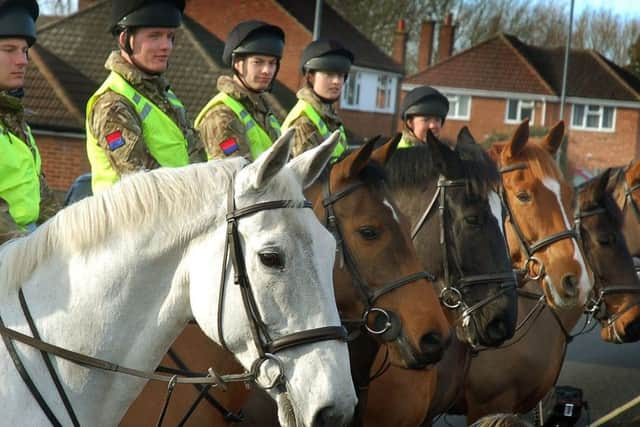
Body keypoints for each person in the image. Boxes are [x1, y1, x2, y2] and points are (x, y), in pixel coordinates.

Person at [86, 0, 202, 194]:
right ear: (125, 39)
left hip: (177, 218)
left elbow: (195, 155)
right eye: (154, 36)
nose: (166, 46)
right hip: (132, 221)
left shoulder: (164, 95)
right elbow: (139, 179)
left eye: (170, 36)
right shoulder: (112, 102)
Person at [0, 0, 59, 243]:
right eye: (9, 49)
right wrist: (29, 250)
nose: (23, 60)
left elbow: (40, 193)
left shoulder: (14, 119)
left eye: (24, 51)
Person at [195, 20, 284, 161]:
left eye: (272, 63)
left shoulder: (264, 113)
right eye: (258, 62)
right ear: (237, 63)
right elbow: (234, 173)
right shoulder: (221, 114)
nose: (267, 70)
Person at [281, 39, 353, 160]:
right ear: (310, 77)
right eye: (329, 74)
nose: (336, 81)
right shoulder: (303, 119)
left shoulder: (329, 115)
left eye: (340, 75)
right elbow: (307, 175)